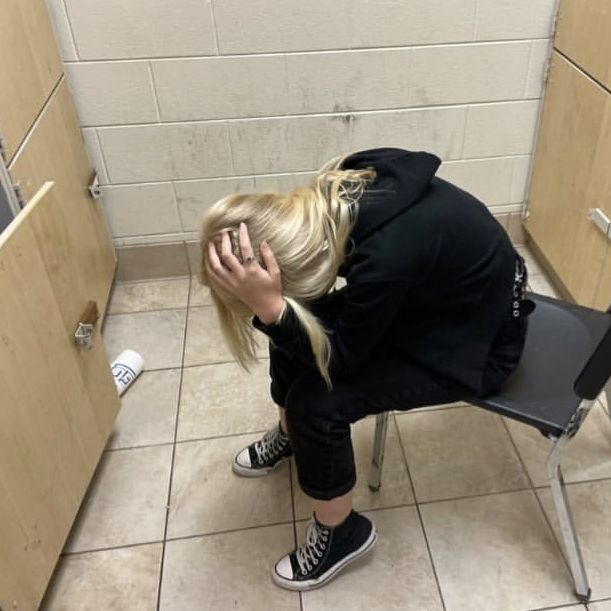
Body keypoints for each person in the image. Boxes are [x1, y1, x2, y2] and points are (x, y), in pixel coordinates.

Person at [200, 147, 531, 591]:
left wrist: (275, 310)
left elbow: (342, 362)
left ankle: (342, 533)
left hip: (475, 342)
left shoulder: (386, 261)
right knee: (292, 322)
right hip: (431, 301)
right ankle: (292, 437)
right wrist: (278, 311)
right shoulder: (344, 184)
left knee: (314, 404)